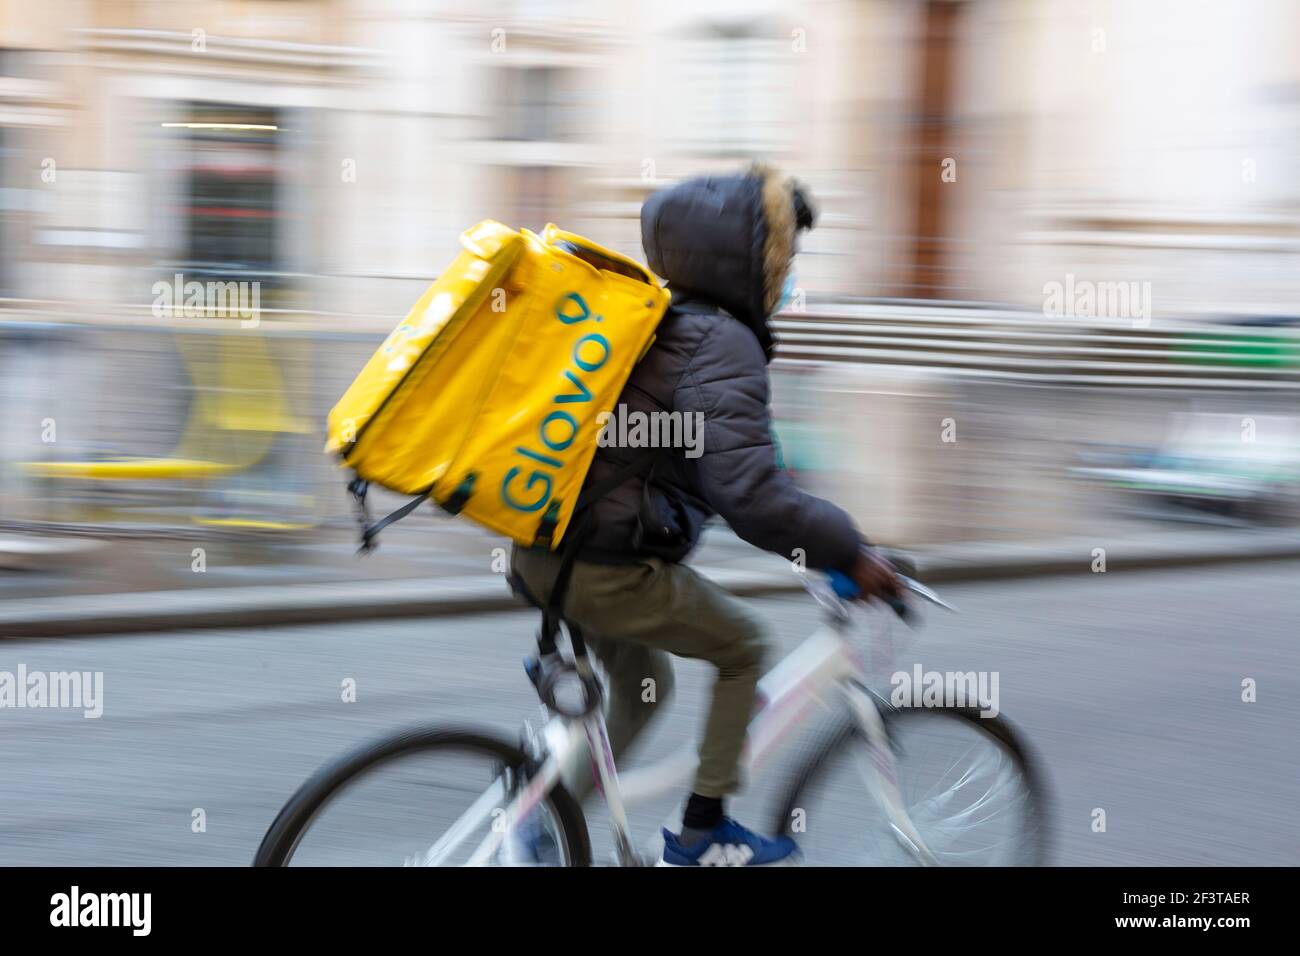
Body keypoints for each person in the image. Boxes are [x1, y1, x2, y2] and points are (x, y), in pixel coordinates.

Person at [511, 162, 900, 866]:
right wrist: (848, 551)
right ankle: (703, 830)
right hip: (604, 567)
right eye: (787, 260)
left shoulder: (663, 323)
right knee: (744, 646)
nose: (789, 280)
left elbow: (700, 465)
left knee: (640, 686)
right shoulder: (720, 340)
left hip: (544, 550)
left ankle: (540, 825)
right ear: (756, 261)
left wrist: (808, 526)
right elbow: (749, 494)